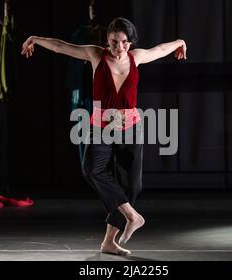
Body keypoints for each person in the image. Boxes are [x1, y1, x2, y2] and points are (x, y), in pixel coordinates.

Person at [22, 17, 187, 256]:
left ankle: (109, 242)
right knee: (91, 169)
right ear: (106, 40)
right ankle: (132, 216)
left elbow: (160, 49)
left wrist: (180, 41)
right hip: (101, 127)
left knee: (131, 186)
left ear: (130, 42)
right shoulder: (96, 55)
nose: (118, 48)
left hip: (130, 129)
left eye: (123, 43)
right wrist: (35, 39)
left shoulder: (136, 57)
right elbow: (62, 46)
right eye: (113, 42)